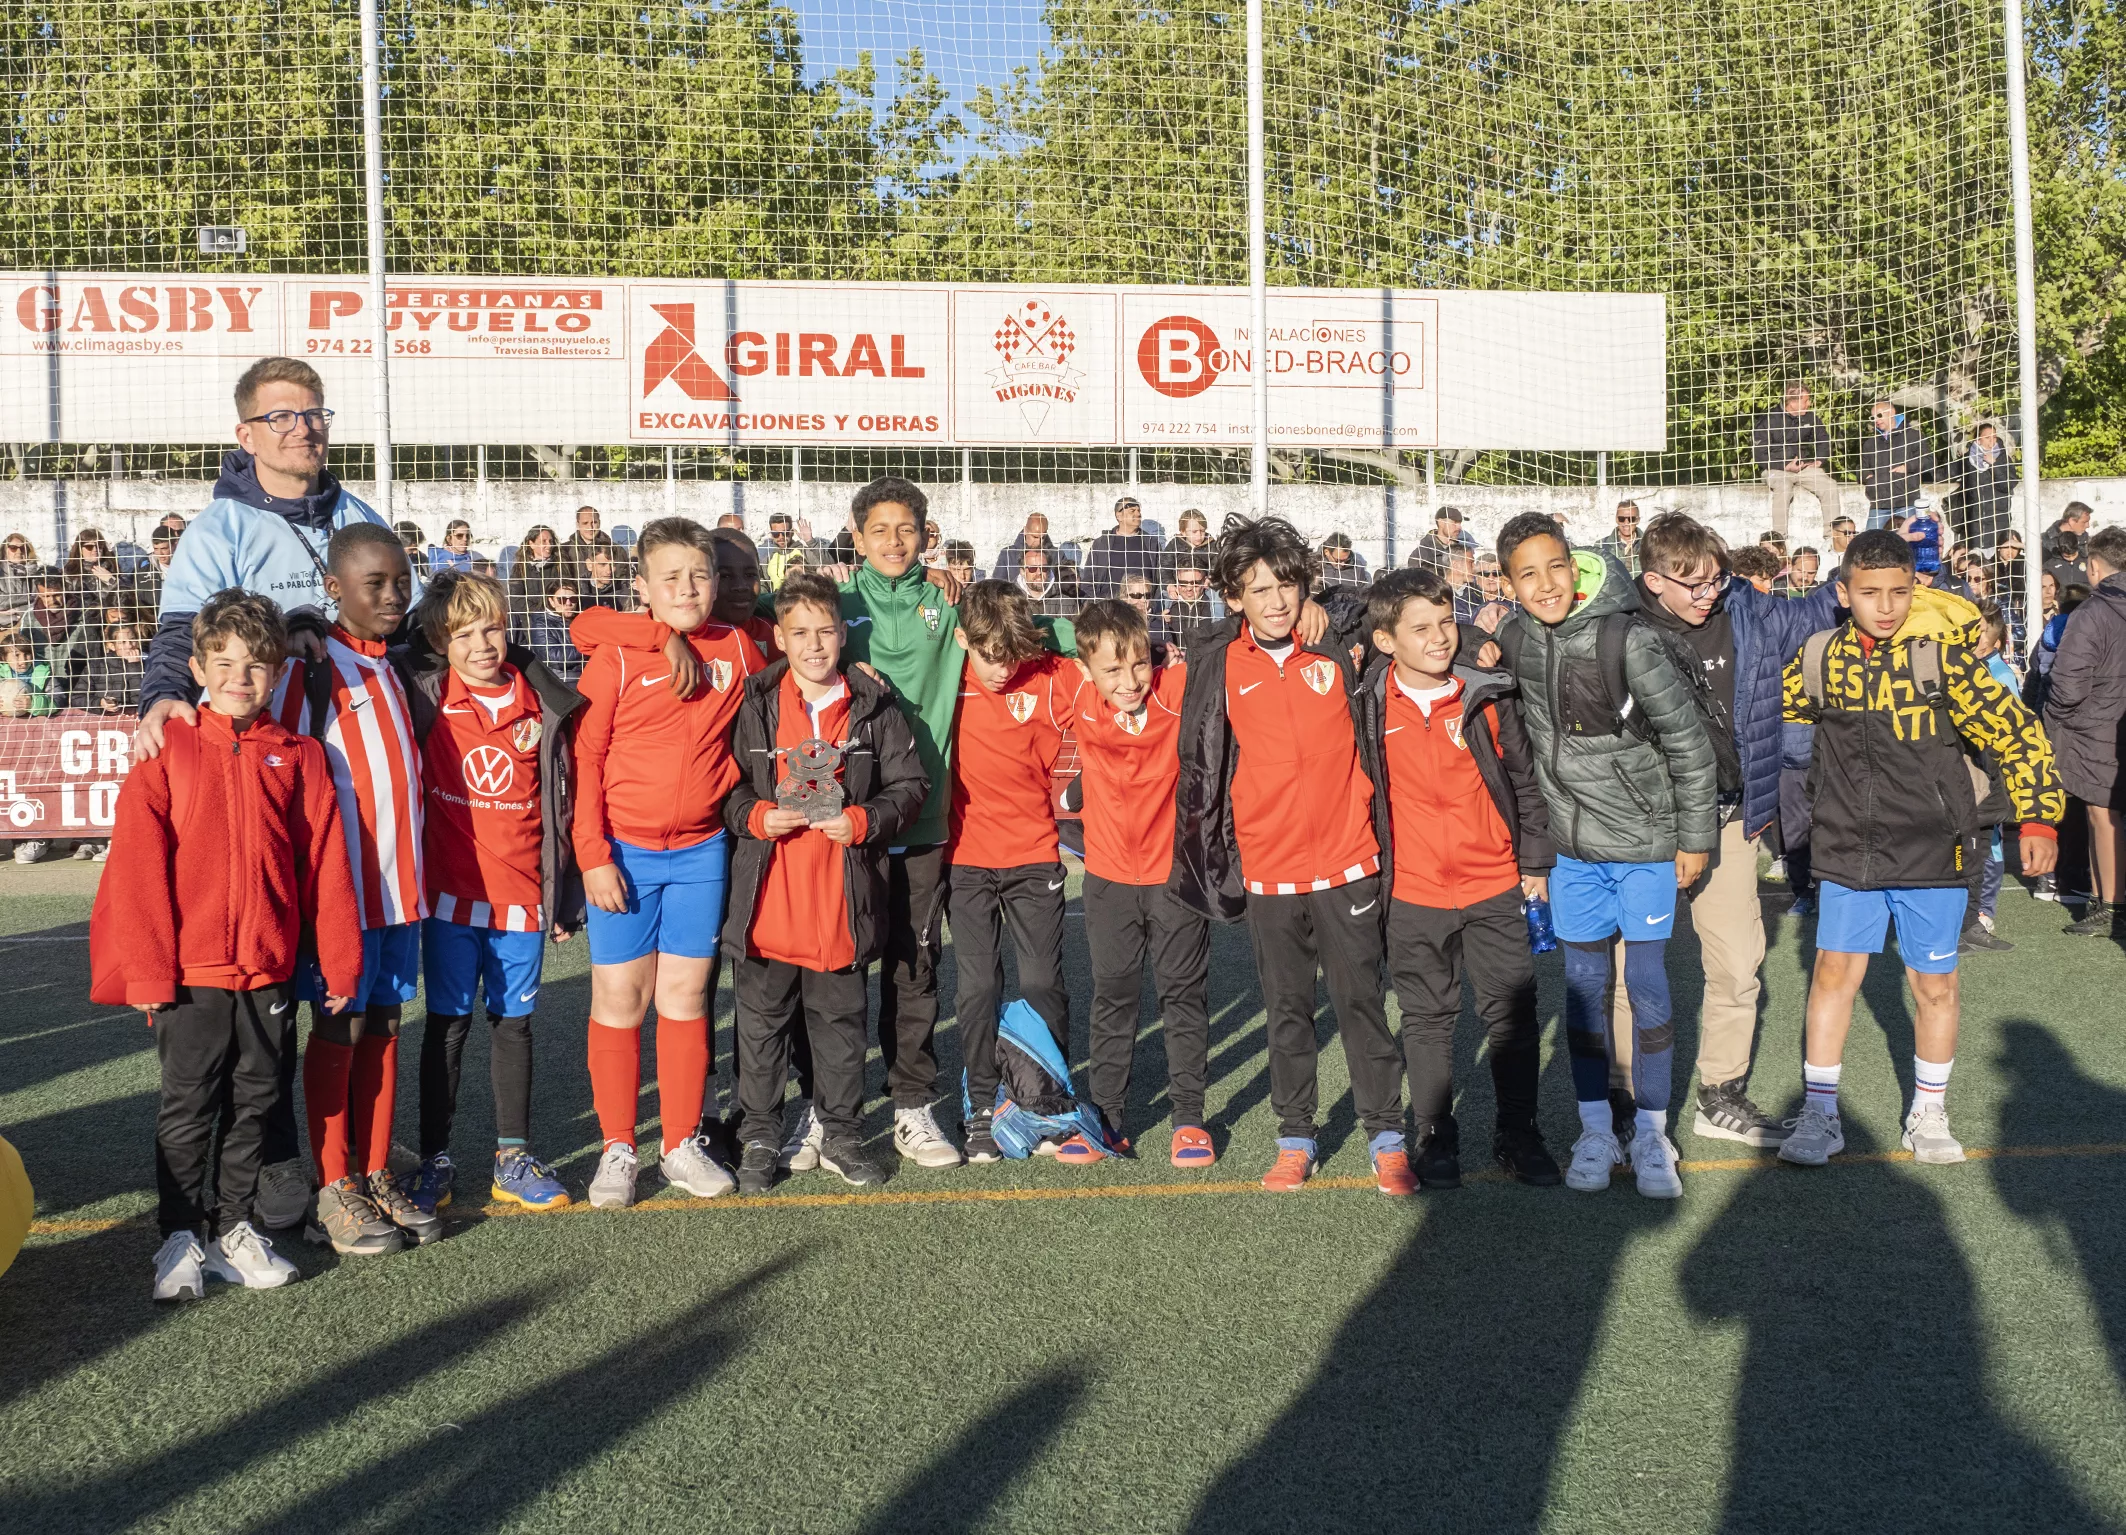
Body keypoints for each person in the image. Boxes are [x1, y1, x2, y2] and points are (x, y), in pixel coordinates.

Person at [91, 591, 361, 1300]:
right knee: (187, 1108)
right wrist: (151, 972)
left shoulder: (299, 756)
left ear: (276, 672)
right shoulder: (165, 750)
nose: (240, 676)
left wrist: (339, 958)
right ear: (198, 668)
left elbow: (325, 863)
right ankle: (179, 1235)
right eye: (225, 662)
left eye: (256, 664)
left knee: (255, 1102)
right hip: (189, 973)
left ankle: (233, 1229)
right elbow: (139, 870)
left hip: (267, 969)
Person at [1779, 532, 2063, 1167]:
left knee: (1934, 983)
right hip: (1846, 847)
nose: (1885, 606)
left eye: (1899, 592)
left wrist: (2040, 819)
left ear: (1917, 590)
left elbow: (2018, 734)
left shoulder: (1946, 662)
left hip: (1934, 849)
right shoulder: (1819, 659)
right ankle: (1821, 1113)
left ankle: (1929, 1111)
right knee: (1832, 975)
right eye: (1870, 592)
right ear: (1842, 592)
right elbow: (1772, 722)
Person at [1170, 516, 1408, 1195]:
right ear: (1233, 596)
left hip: (1349, 856)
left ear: (1306, 586)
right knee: (1287, 1008)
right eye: (1258, 588)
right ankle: (1295, 1134)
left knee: (1361, 1000)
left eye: (1287, 585)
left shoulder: (1337, 643)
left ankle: (1385, 1134)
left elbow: (1393, 606)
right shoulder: (1219, 659)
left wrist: (1329, 611)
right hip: (1270, 866)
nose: (1274, 600)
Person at [1493, 514, 1716, 1199]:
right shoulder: (1513, 637)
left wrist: (1694, 837)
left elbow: (1688, 742)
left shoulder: (1629, 636)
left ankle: (1652, 1132)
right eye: (1527, 574)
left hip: (1647, 844)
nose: (1546, 583)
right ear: (1508, 585)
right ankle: (1595, 1127)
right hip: (1572, 851)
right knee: (1586, 989)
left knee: (1646, 986)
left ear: (1577, 563)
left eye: (1555, 566)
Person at [569, 518, 766, 1209]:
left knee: (685, 999)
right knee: (621, 1001)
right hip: (622, 853)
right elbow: (585, 754)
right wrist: (592, 856)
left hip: (701, 853)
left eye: (700, 575)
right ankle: (619, 1146)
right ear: (643, 587)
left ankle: (679, 1141)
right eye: (671, 577)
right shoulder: (620, 654)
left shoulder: (739, 649)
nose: (688, 588)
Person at [1629, 513, 1841, 1145]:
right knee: (1624, 976)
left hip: (1727, 818)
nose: (1706, 594)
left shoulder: (1747, 607)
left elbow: (1813, 613)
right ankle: (1619, 1107)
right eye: (1690, 583)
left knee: (1738, 965)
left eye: (1715, 580)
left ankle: (1719, 1093)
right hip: (1644, 825)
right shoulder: (1618, 623)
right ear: (1652, 579)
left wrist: (1853, 568)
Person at [721, 570, 929, 1191]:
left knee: (840, 1029)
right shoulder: (755, 702)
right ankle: (759, 1135)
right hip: (768, 899)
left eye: (826, 632)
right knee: (761, 1026)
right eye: (800, 633)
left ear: (844, 634)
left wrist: (865, 820)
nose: (815, 645)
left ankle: (840, 1134)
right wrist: (755, 815)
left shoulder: (874, 704)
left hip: (841, 900)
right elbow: (726, 788)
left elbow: (911, 787)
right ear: (779, 638)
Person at [1357, 569, 1561, 1189]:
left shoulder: (1487, 695)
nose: (1440, 638)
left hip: (1493, 882)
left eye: (1447, 622)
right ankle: (1435, 1137)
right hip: (1412, 891)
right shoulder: (1366, 703)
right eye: (1421, 629)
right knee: (1426, 1019)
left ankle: (1518, 1134)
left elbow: (1525, 782)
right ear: (1387, 641)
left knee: (1513, 1015)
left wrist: (1533, 863)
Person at [399, 571, 585, 1218]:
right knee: (446, 1026)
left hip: (521, 899)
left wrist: (567, 894)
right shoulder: (422, 695)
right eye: (464, 632)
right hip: (450, 899)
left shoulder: (544, 705)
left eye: (493, 627)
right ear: (437, 640)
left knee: (514, 1025)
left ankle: (512, 1156)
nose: (482, 643)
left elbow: (566, 806)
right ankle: (435, 1159)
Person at [135, 357, 398, 767]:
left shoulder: (361, 517)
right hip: (259, 749)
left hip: (365, 738)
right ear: (247, 436)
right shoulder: (218, 530)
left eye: (314, 415)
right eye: (281, 417)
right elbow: (182, 633)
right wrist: (165, 697)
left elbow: (409, 620)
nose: (303, 428)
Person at [293, 523, 439, 1256]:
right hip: (344, 897)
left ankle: (375, 1168)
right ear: (333, 589)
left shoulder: (395, 663)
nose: (391, 593)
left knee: (383, 1026)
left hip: (400, 893)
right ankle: (333, 1184)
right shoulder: (312, 669)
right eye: (373, 583)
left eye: (399, 578)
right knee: (338, 1029)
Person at [1068, 599, 1212, 1165]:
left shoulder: (1174, 690)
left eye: (1138, 665)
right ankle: (1106, 1120)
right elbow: (1019, 642)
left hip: (1175, 879)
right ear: (1085, 670)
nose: (1128, 681)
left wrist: (1161, 654)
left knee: (1183, 996)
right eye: (1112, 670)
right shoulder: (1076, 693)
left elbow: (1226, 652)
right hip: (1106, 880)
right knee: (1114, 998)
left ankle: (1189, 1121)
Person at [945, 580, 1080, 1161]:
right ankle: (981, 1102)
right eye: (986, 654)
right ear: (960, 640)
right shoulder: (941, 679)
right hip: (965, 859)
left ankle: (1044, 1102)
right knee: (977, 986)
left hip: (1034, 855)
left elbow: (1105, 652)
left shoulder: (1052, 676)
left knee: (1042, 984)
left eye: (1011, 654)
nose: (1000, 669)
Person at [2043, 524, 2126, 939]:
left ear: (2094, 567)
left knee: (2103, 813)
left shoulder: (2092, 613)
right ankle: (2104, 899)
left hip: (2097, 726)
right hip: (2112, 719)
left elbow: (2069, 682)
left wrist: (2053, 714)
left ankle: (2110, 905)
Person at [1960, 600, 2022, 953]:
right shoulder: (1962, 669)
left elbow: (2008, 732)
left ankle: (1982, 918)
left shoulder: (1999, 677)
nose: (1973, 639)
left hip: (1988, 781)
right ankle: (1964, 919)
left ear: (1995, 643)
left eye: (1981, 635)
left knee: (1989, 846)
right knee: (1961, 845)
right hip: (1963, 778)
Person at [1752, 383, 1840, 536]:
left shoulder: (1810, 417)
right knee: (1784, 488)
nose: (1809, 404)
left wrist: (1819, 460)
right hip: (1775, 470)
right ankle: (1779, 538)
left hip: (1803, 468)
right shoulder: (1768, 420)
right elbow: (1759, 454)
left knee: (1830, 486)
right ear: (1793, 402)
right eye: (1806, 400)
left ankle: (1832, 536)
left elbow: (1823, 439)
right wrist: (1784, 466)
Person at [1859, 399, 1931, 531]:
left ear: (1892, 412)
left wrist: (1907, 467)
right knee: (1870, 543)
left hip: (1906, 503)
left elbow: (1928, 461)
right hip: (1879, 504)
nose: (1876, 420)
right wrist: (1867, 477)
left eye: (1879, 415)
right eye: (1873, 417)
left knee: (1907, 543)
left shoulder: (1913, 436)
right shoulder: (1870, 443)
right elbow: (1862, 468)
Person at [1082, 495, 1162, 597]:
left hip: (1141, 605)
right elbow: (1089, 579)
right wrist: (1095, 605)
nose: (1138, 514)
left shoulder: (1151, 543)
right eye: (1132, 511)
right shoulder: (1102, 543)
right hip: (1109, 607)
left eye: (1139, 511)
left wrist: (1153, 605)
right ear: (1119, 516)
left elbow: (1160, 578)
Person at [1953, 422, 2016, 551]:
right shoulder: (1968, 460)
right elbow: (1946, 472)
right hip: (1976, 522)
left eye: (1994, 437)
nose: (1992, 441)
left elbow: (2008, 484)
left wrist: (1994, 464)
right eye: (1987, 437)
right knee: (1977, 560)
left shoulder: (2003, 459)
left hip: (1998, 521)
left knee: (1997, 561)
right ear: (1978, 439)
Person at [521, 579, 582, 683]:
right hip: (561, 681)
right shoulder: (541, 624)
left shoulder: (581, 619)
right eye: (562, 600)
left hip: (585, 675)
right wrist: (586, 648)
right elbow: (553, 658)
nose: (568, 603)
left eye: (573, 599)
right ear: (551, 601)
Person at [506, 524, 561, 634]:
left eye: (550, 541)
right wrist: (540, 611)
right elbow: (515, 599)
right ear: (531, 544)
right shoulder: (520, 568)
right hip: (532, 625)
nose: (549, 545)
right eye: (543, 541)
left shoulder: (560, 565)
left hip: (558, 622)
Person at [993, 510, 1063, 588]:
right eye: (1035, 537)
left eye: (1042, 537)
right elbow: (997, 587)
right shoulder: (1008, 554)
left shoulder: (1058, 555)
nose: (1038, 541)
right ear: (1025, 531)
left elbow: (1066, 586)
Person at [1411, 506, 1478, 577]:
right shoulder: (1421, 554)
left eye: (1460, 523)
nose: (1459, 527)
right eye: (1455, 522)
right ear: (1441, 522)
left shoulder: (1464, 550)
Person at [1016, 547, 1078, 618]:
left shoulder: (1066, 603)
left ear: (1048, 571)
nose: (1039, 572)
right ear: (1022, 571)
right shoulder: (1010, 601)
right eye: (1032, 568)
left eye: (1044, 568)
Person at [1161, 508, 1216, 586]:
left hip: (1202, 586)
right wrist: (1169, 585)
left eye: (1202, 531)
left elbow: (1217, 566)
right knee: (1163, 595)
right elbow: (1165, 566)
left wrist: (1211, 578)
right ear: (1183, 532)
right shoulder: (1175, 544)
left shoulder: (1211, 545)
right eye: (1194, 531)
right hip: (1179, 586)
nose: (1199, 535)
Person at [1596, 501, 1643, 572]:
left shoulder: (1650, 545)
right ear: (1616, 519)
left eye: (1631, 519)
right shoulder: (1601, 546)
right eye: (1621, 519)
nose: (1626, 523)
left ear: (1638, 520)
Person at [560, 504, 604, 580]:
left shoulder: (615, 549)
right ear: (577, 524)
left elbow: (622, 581)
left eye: (594, 522)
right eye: (585, 523)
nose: (590, 527)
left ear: (599, 523)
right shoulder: (563, 550)